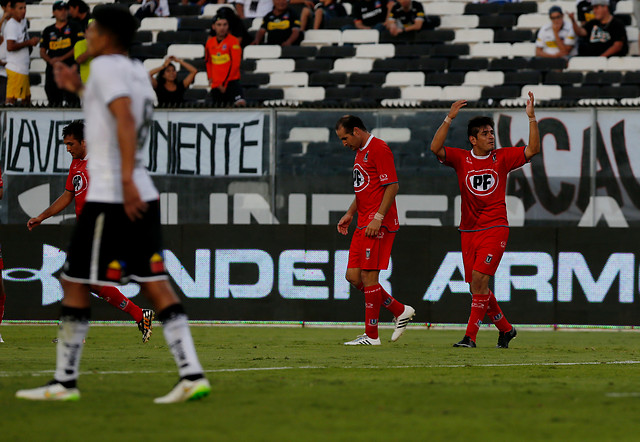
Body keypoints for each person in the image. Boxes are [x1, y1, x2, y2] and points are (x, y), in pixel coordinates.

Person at [16, 4, 210, 403]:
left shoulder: (106, 69)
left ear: (106, 34)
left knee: (73, 280)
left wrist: (121, 179)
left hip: (112, 192)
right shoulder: (136, 69)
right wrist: (76, 84)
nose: (86, 35)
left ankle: (64, 381)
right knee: (154, 284)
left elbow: (122, 118)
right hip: (140, 188)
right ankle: (191, 372)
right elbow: (117, 112)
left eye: (92, 29)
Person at [27, 120, 154, 344]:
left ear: (84, 142)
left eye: (71, 144)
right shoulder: (76, 164)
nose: (68, 149)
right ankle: (139, 314)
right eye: (66, 144)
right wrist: (41, 216)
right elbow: (68, 196)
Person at [429, 93, 540, 348]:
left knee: (480, 281)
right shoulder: (460, 158)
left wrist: (532, 118)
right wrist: (449, 118)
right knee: (476, 287)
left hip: (495, 227)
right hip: (468, 230)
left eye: (492, 132)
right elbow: (435, 149)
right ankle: (506, 329)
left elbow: (532, 150)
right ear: (473, 139)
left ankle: (470, 337)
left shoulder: (501, 158)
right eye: (485, 133)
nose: (491, 136)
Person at [335, 115, 415, 345]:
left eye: (345, 138)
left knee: (370, 277)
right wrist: (351, 213)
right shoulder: (360, 152)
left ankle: (372, 336)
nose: (344, 144)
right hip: (363, 222)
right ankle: (400, 309)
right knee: (353, 276)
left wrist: (378, 218)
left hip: (377, 223)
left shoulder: (379, 148)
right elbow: (364, 189)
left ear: (357, 131)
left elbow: (393, 185)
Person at [40, 1, 83, 105]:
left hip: (70, 69)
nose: (63, 12)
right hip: (53, 71)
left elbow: (77, 47)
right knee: (53, 101)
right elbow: (42, 51)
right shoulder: (48, 30)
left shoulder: (75, 26)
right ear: (54, 12)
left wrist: (61, 58)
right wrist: (50, 60)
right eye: (60, 10)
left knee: (73, 101)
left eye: (65, 9)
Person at [5, 0, 40, 105]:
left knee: (26, 98)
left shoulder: (23, 21)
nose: (24, 11)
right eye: (20, 8)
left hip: (23, 68)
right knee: (12, 98)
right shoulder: (12, 25)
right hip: (16, 68)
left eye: (25, 8)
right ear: (12, 9)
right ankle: (7, 120)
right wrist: (29, 42)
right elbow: (10, 46)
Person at [206, 15, 245, 106]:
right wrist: (210, 77)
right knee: (218, 112)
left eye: (225, 25)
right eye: (219, 25)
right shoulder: (210, 42)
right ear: (214, 26)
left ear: (228, 26)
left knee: (240, 105)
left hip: (231, 82)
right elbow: (208, 61)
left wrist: (225, 83)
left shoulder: (233, 41)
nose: (222, 28)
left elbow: (235, 64)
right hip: (216, 84)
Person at [0, 0, 13, 104]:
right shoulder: (1, 20)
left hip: (11, 70)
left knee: (7, 103)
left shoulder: (18, 22)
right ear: (3, 7)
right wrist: (3, 18)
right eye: (10, 6)